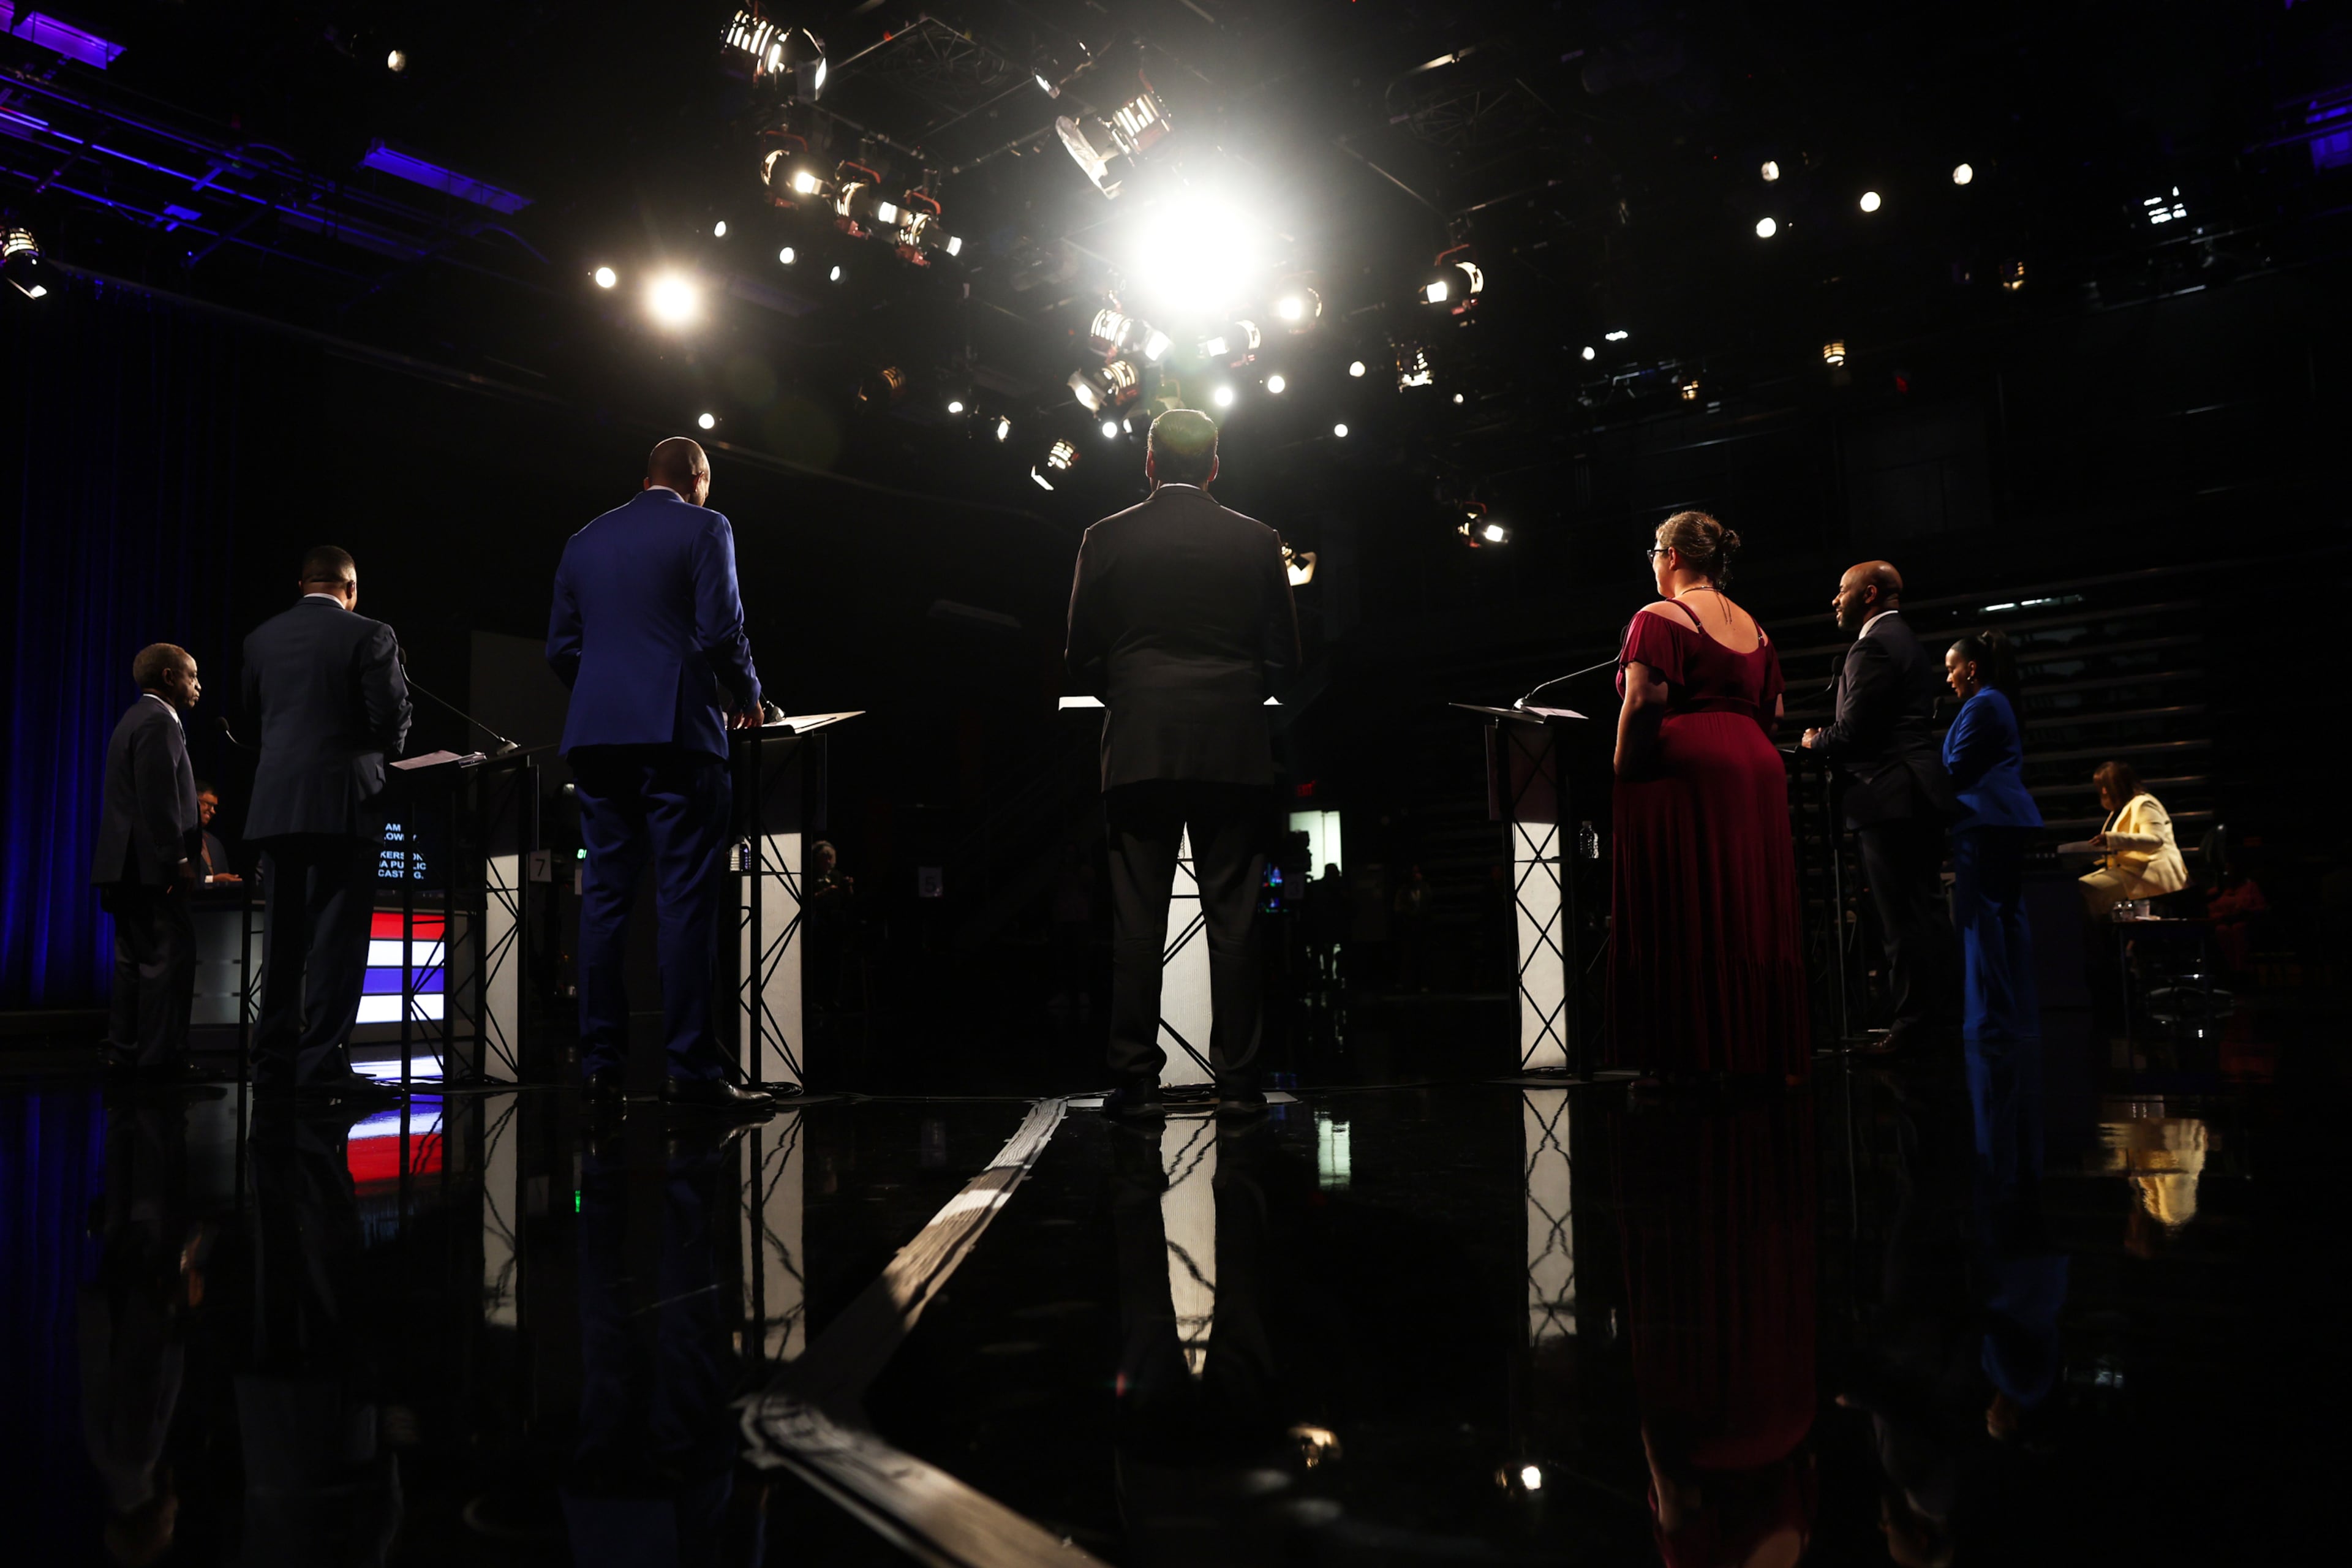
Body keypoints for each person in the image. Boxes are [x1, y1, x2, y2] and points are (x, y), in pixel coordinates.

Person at [1065, 409, 1300, 1120]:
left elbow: (1079, 657)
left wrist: (1137, 695)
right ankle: (1240, 1084)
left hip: (1140, 746)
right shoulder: (1258, 539)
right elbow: (1287, 657)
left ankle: (1135, 1083)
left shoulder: (1103, 538)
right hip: (1232, 747)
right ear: (1215, 465)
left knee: (1138, 920)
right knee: (1235, 919)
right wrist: (1231, 693)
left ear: (1147, 461)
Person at [549, 437, 772, 1113]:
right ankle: (689, 1074)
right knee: (684, 902)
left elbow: (562, 648)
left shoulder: (583, 540)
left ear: (645, 478)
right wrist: (747, 693)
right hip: (676, 734)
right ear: (698, 480)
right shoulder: (707, 526)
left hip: (597, 739)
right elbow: (718, 631)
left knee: (606, 904)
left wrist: (605, 695)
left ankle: (600, 1074)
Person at [1610, 512, 1809, 1080]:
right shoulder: (1756, 627)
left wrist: (1625, 765)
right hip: (1757, 770)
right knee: (1749, 907)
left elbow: (1645, 700)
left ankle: (1687, 1056)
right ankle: (1760, 1049)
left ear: (1672, 555)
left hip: (1689, 770)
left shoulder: (1658, 617)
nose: (1652, 559)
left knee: (1687, 904)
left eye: (1653, 549)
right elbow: (1773, 713)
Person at [243, 548, 412, 1099]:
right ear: (352, 588)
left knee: (285, 941)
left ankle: (272, 1064)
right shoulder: (371, 634)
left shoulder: (260, 638)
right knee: (337, 944)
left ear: (302, 584)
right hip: (342, 804)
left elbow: (253, 717)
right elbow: (389, 719)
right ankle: (319, 1068)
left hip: (275, 805)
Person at [1803, 559, 1959, 1050]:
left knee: (1901, 922)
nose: (1835, 600)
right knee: (1927, 914)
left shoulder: (1872, 645)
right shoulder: (1907, 640)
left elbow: (1852, 733)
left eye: (1843, 590)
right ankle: (1940, 1022)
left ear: (1869, 594)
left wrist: (1813, 741)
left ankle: (1913, 1029)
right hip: (1917, 793)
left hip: (1888, 796)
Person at [91, 644, 206, 1077]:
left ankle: (126, 1051)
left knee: (133, 962)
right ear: (169, 677)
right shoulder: (159, 721)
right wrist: (177, 859)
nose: (198, 684)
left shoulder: (133, 718)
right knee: (165, 960)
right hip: (150, 867)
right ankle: (160, 1061)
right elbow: (159, 799)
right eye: (192, 675)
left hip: (125, 867)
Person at [1941, 630, 2042, 1041]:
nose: (1948, 679)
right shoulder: (2000, 702)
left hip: (1984, 821)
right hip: (2005, 820)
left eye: (1951, 669)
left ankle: (1990, 1020)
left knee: (1982, 921)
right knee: (2009, 918)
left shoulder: (1981, 705)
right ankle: (2014, 1013)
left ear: (1972, 668)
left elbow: (1956, 768)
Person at [2079, 760, 2186, 918]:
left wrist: (2111, 839)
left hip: (2149, 872)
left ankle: (2094, 939)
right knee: (2077, 888)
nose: (2102, 792)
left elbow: (2155, 840)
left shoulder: (2144, 803)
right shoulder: (2121, 809)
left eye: (2104, 787)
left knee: (2086, 890)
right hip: (2129, 871)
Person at [193, 780, 241, 885]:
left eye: (214, 806)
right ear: (194, 801)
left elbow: (224, 876)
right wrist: (212, 880)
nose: (213, 811)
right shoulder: (178, 839)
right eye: (208, 804)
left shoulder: (215, 843)